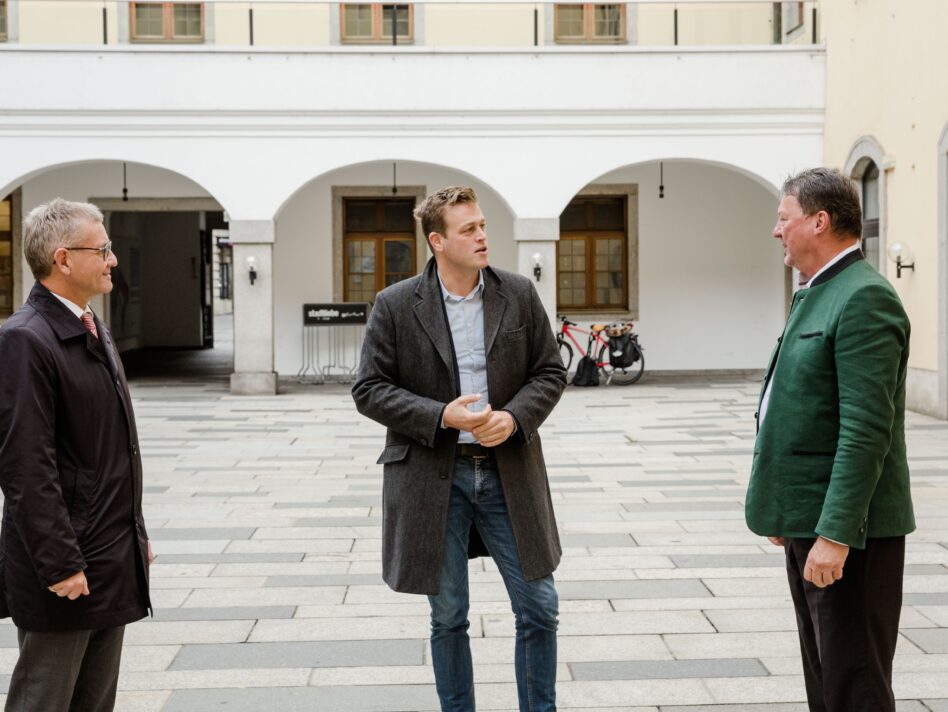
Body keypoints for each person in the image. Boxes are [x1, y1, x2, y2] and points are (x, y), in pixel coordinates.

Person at [352, 186, 566, 712]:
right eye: (468, 229)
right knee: (448, 615)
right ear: (437, 241)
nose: (482, 236)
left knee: (539, 606)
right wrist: (440, 415)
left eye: (483, 225)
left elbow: (550, 371)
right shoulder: (397, 304)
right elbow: (369, 389)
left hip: (507, 470)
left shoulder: (517, 294)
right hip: (432, 476)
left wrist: (515, 417)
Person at [745, 168, 915, 711]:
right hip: (810, 519)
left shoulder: (864, 298)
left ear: (819, 221)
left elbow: (867, 429)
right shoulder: (820, 292)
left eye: (783, 217)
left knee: (854, 684)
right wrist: (786, 510)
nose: (776, 231)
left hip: (849, 533)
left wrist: (835, 534)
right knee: (826, 678)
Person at [0, 198, 153, 712]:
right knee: (44, 700)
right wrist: (60, 563)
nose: (113, 260)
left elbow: (108, 452)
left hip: (109, 555)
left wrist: (135, 535)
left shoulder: (91, 326)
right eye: (103, 249)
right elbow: (26, 467)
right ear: (63, 259)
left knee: (93, 702)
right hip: (66, 570)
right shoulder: (25, 340)